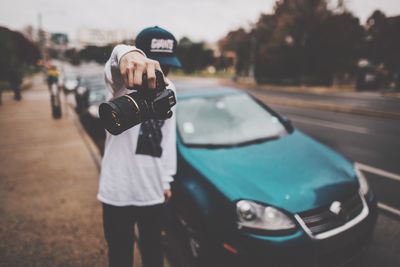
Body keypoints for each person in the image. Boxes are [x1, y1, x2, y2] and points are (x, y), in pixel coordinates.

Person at [98, 26, 181, 267]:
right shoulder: (118, 85)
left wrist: (167, 179)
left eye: (165, 66)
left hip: (152, 189)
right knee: (120, 255)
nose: (161, 72)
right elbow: (115, 61)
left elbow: (167, 137)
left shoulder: (170, 89)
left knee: (154, 253)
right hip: (117, 190)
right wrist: (125, 54)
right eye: (156, 65)